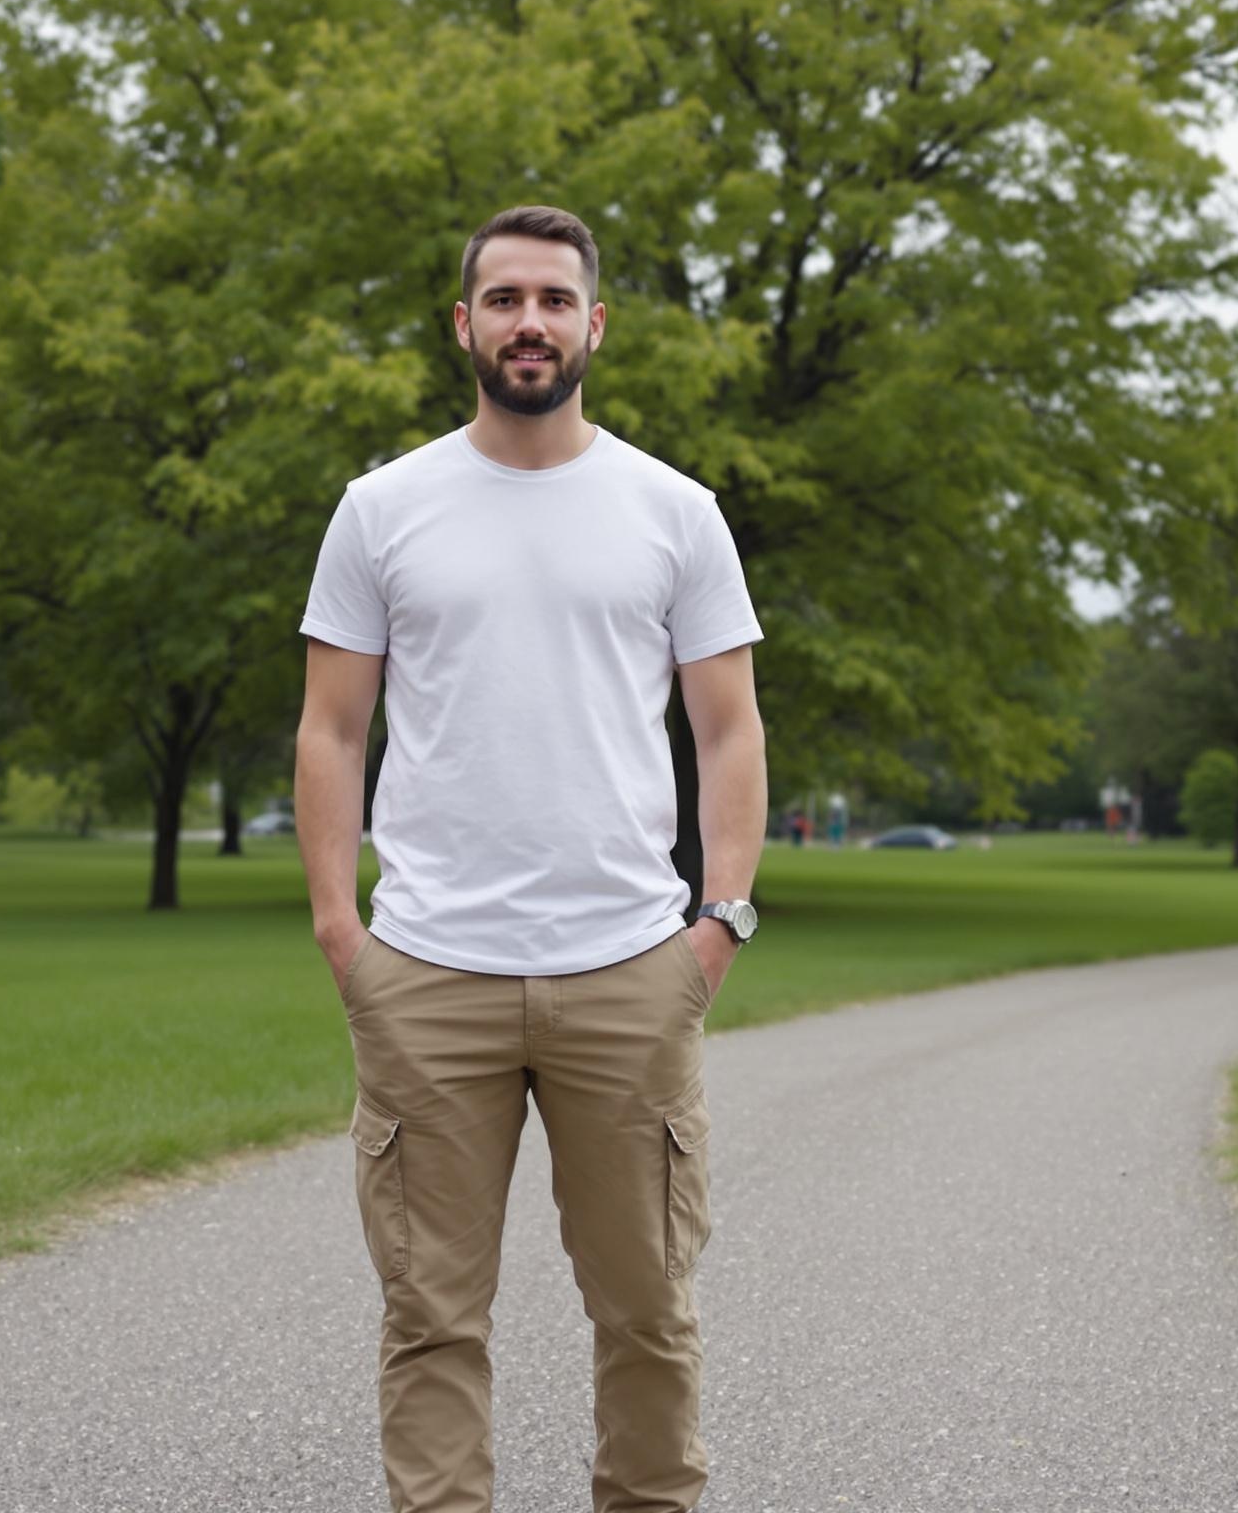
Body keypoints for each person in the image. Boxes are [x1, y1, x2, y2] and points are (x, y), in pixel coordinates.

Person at [296, 204, 766, 1513]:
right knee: (431, 1320)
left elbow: (728, 732)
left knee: (650, 1315)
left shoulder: (673, 512)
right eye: (503, 300)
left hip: (627, 968)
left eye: (554, 300)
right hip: (430, 974)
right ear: (464, 325)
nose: (529, 324)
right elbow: (332, 730)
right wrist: (345, 931)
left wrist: (720, 917)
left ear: (595, 325)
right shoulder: (382, 510)